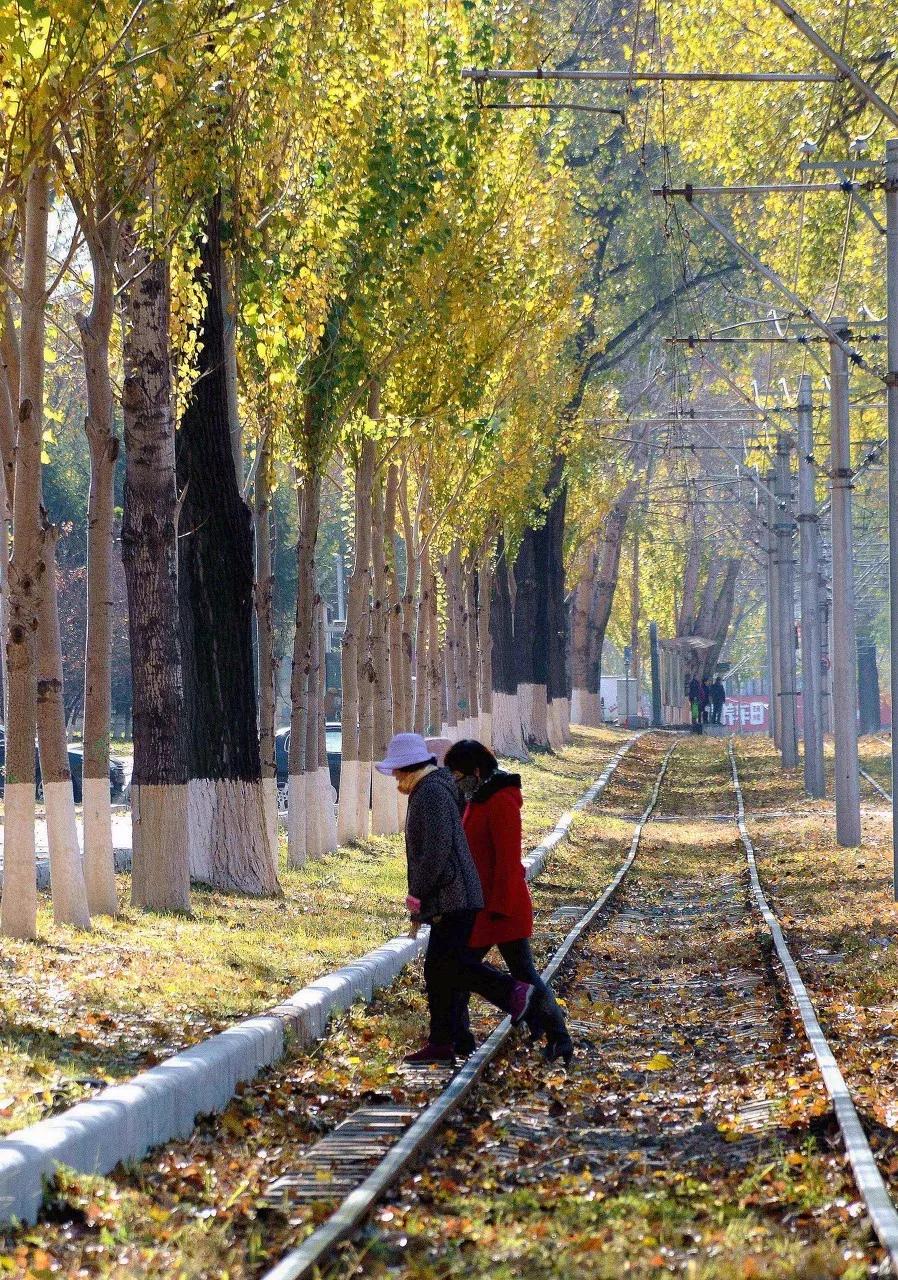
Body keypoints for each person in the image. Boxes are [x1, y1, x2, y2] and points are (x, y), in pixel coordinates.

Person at [376, 732, 549, 1065]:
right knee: (439, 970)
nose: (395, 777)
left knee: (454, 966)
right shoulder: (430, 788)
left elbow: (437, 850)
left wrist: (418, 894)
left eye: (397, 770)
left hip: (453, 896)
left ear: (410, 766)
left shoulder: (431, 793)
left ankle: (513, 993)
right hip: (451, 895)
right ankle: (445, 1041)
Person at [444, 740, 574, 1064]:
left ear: (476, 771)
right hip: (484, 906)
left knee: (475, 969)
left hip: (501, 908)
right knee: (474, 970)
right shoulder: (479, 797)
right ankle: (466, 1038)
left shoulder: (500, 801)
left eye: (459, 776)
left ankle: (556, 1036)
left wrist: (498, 909)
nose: (457, 784)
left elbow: (506, 861)